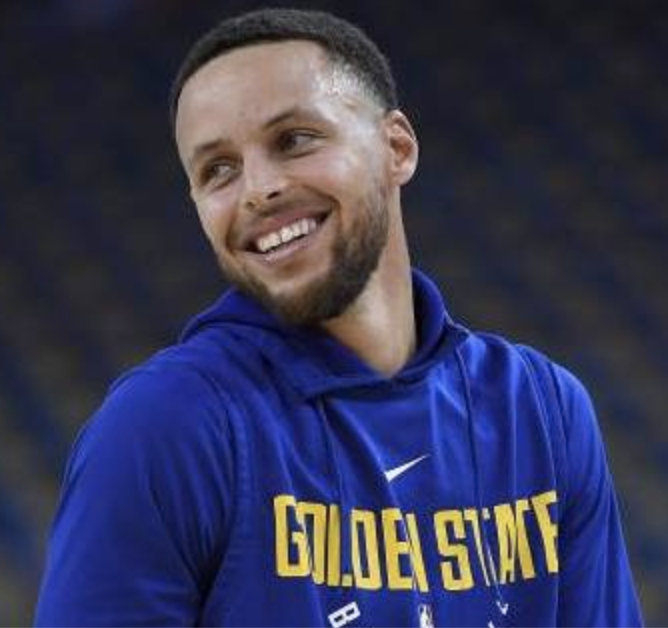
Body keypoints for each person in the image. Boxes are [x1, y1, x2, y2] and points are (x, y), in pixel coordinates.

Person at [35, 8, 643, 627]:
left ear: (396, 148)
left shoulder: (542, 409)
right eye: (218, 170)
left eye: (294, 139)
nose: (257, 189)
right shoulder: (165, 427)